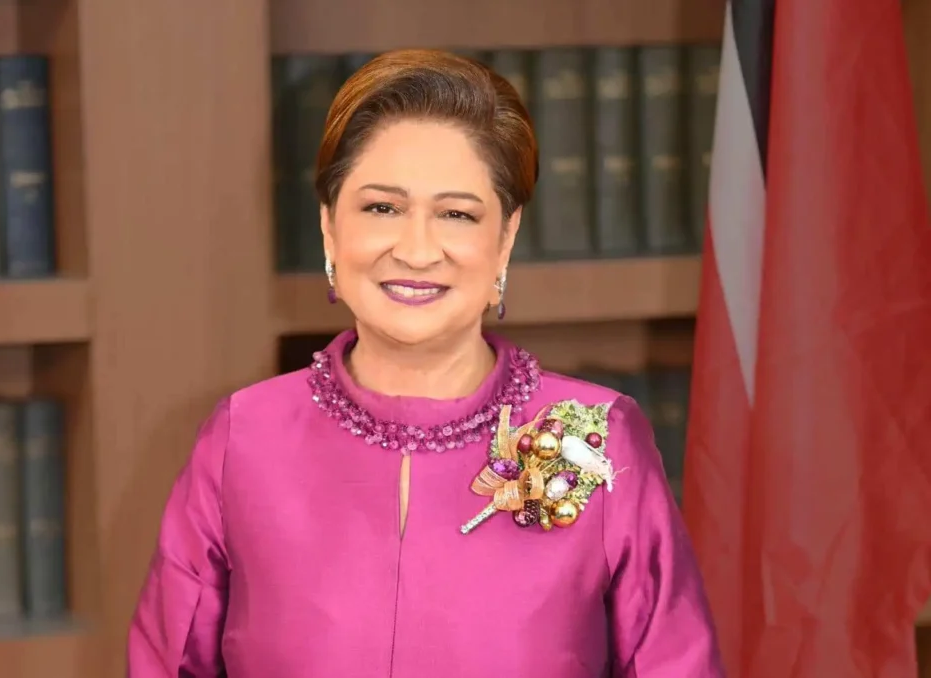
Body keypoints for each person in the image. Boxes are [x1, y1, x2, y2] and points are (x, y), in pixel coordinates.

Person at [127, 48, 725, 677]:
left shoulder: (599, 437)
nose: (416, 251)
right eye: (382, 208)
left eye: (456, 214)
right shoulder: (243, 437)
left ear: (505, 238)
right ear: (329, 227)